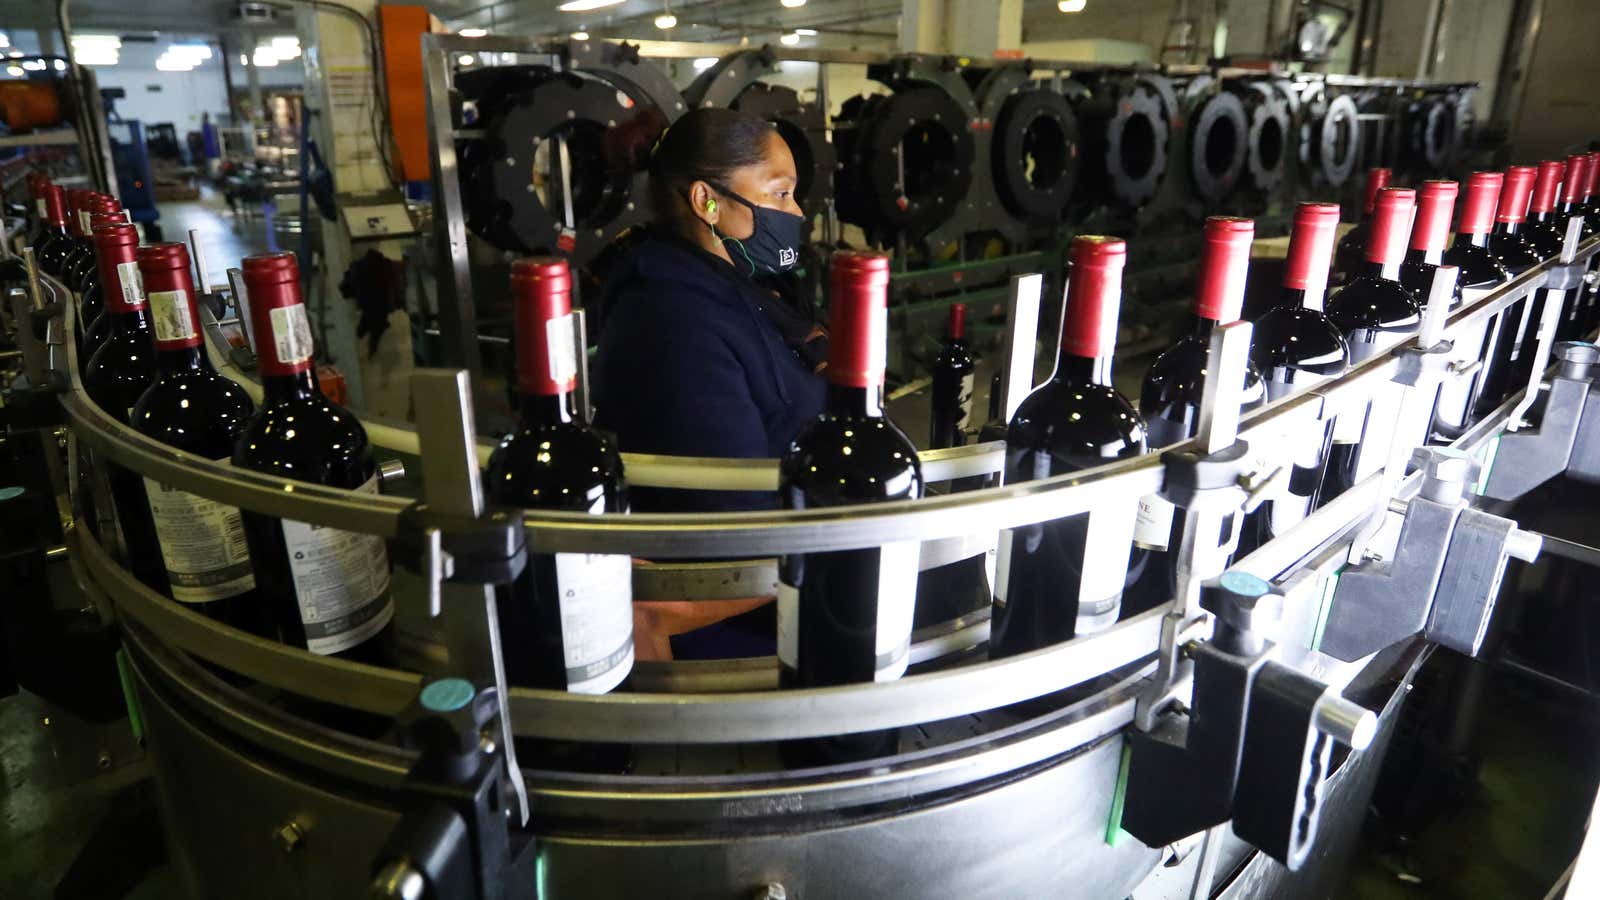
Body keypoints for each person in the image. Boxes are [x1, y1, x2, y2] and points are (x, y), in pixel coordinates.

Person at [593, 108, 826, 658]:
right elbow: (731, 517)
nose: (796, 211)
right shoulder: (672, 317)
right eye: (779, 193)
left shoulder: (745, 284)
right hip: (746, 622)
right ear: (707, 201)